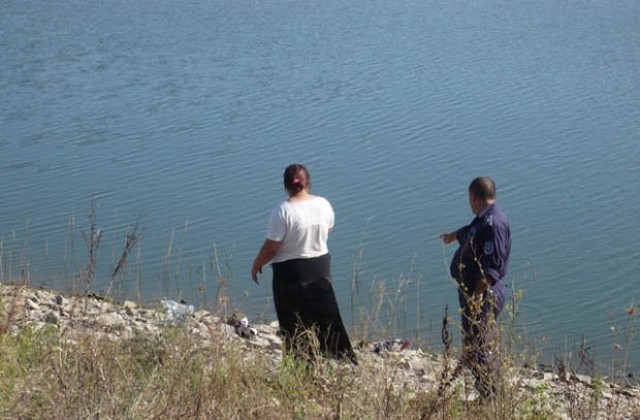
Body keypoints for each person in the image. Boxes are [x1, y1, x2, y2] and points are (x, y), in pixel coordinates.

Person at [251, 164, 356, 364]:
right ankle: (339, 359)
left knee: (294, 323)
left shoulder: (282, 211)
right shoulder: (324, 204)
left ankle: (301, 365)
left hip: (290, 273)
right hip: (320, 265)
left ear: (285, 186)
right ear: (309, 182)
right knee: (327, 317)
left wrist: (257, 264)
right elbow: (328, 231)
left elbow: (272, 247)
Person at [440, 176, 511, 398]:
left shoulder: (494, 224)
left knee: (481, 347)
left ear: (474, 197)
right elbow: (472, 232)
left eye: (469, 200)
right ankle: (482, 392)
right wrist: (454, 236)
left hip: (483, 295)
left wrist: (478, 294)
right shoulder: (485, 219)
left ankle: (490, 397)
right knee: (473, 345)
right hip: (473, 294)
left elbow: (492, 267)